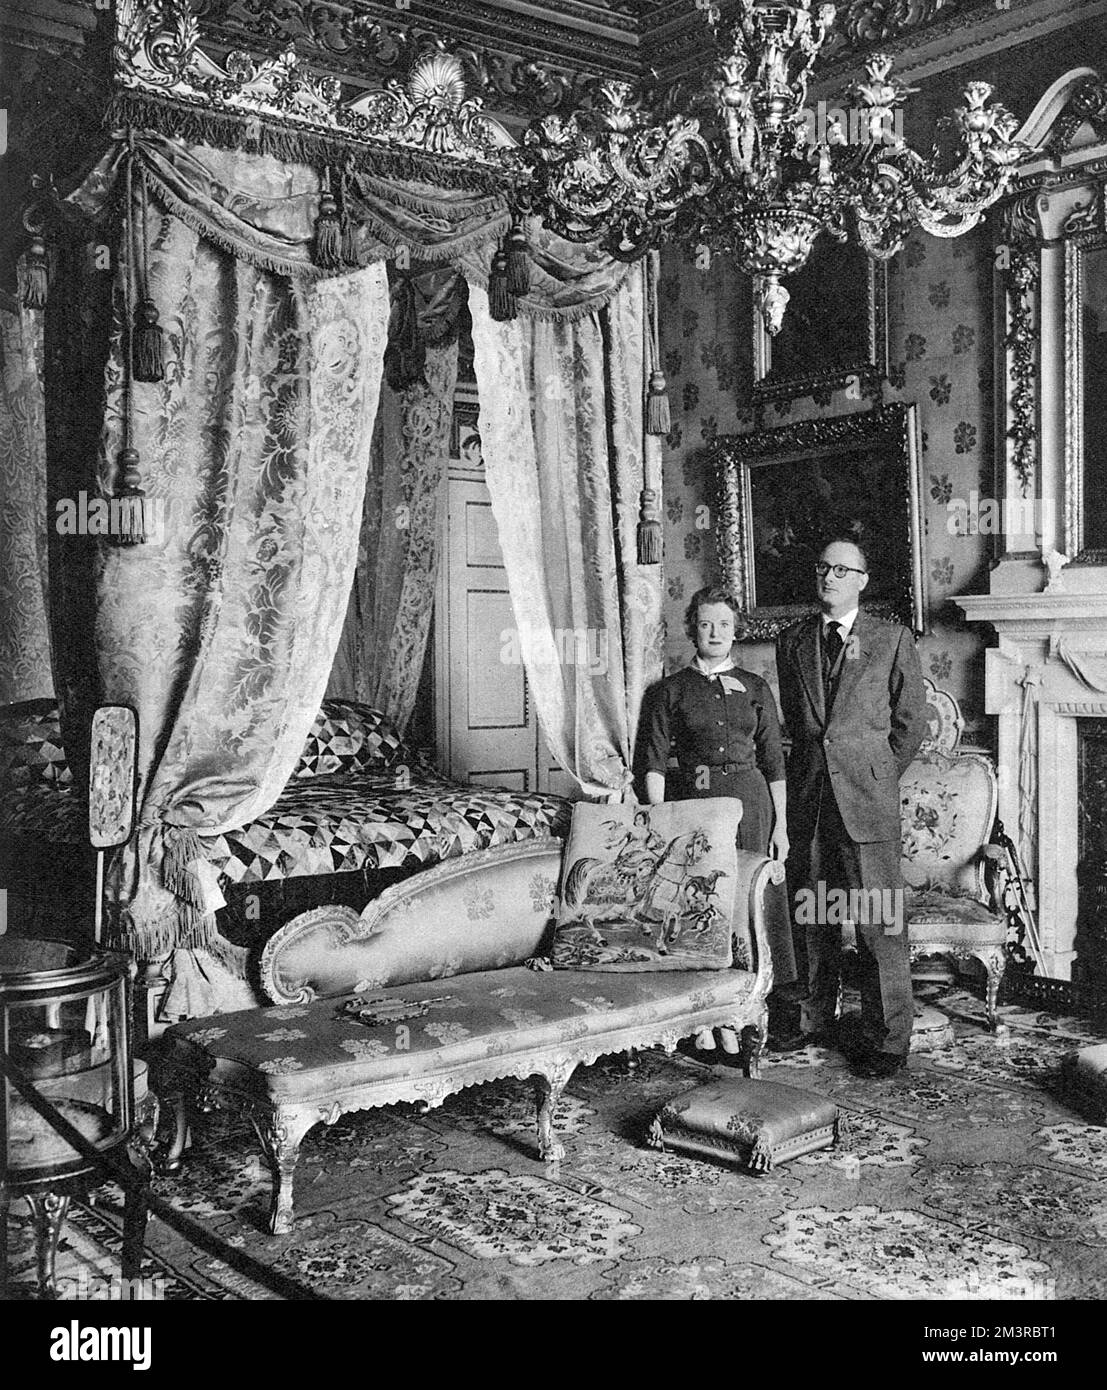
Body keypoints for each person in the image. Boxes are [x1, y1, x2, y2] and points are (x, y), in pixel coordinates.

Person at [775, 537, 928, 1077]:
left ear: (863, 579)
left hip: (867, 802)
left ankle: (888, 1038)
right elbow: (799, 726)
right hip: (811, 799)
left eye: (842, 569)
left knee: (877, 924)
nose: (830, 576)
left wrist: (876, 776)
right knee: (812, 914)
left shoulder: (890, 638)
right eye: (823, 567)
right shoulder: (792, 641)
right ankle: (812, 1016)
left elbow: (912, 724)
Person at [640, 585, 794, 1060]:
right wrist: (664, 821)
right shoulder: (669, 691)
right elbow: (653, 762)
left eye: (724, 624)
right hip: (696, 804)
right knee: (702, 906)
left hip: (751, 807)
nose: (715, 632)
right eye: (706, 623)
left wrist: (781, 826)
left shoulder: (756, 687)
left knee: (749, 908)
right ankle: (702, 1020)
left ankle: (742, 1014)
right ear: (692, 628)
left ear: (736, 630)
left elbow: (774, 764)